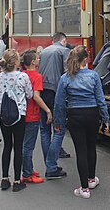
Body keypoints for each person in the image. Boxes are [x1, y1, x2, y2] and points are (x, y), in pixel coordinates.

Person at [54, 46, 109, 199]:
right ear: (86, 59)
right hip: (92, 114)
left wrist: (58, 121)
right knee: (91, 147)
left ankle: (84, 189)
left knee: (81, 151)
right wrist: (105, 119)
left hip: (75, 115)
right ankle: (92, 179)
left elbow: (59, 103)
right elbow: (100, 100)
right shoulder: (94, 76)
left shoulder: (65, 77)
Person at [0, 49, 32, 192]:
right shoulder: (22, 77)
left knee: (7, 146)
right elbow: (29, 94)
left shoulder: (0, 77)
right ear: (16, 62)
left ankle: (5, 179)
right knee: (18, 147)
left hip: (3, 114)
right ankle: (17, 180)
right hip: (19, 114)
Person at [38, 32, 70, 180]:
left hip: (42, 93)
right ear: (63, 41)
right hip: (56, 93)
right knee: (58, 129)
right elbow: (67, 73)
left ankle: (49, 164)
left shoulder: (44, 51)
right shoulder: (64, 51)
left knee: (45, 130)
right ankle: (51, 167)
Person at [20, 49, 52, 184]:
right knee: (28, 146)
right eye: (37, 58)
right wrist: (47, 110)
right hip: (32, 114)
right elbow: (36, 96)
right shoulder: (37, 77)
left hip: (21, 114)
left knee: (23, 144)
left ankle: (28, 168)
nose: (39, 60)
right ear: (33, 62)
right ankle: (27, 174)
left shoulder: (21, 74)